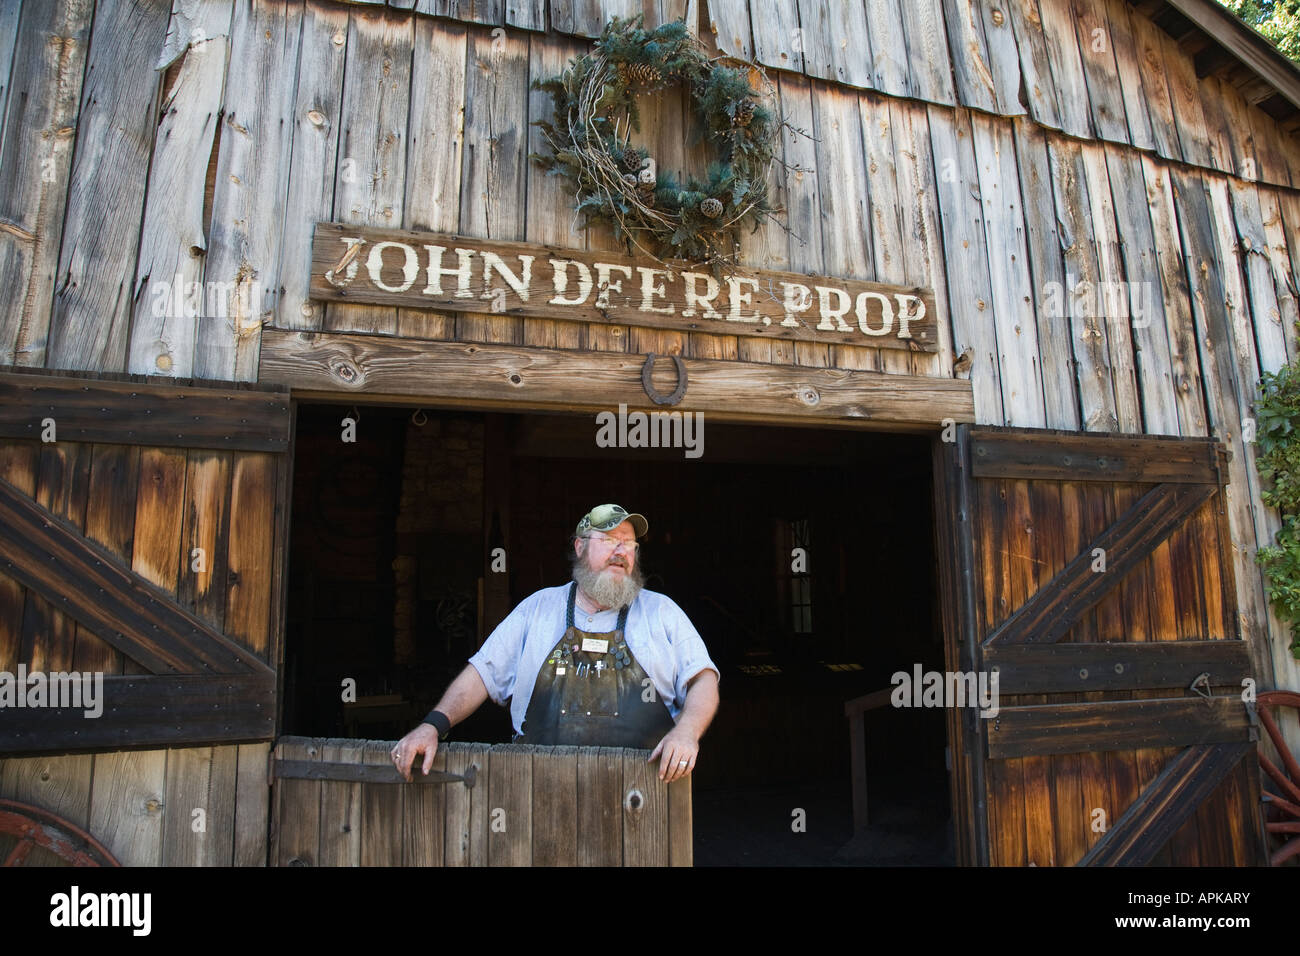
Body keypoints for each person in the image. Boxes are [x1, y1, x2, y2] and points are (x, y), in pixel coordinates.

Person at [391, 503, 720, 784]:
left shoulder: (661, 612)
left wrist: (687, 732)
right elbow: (482, 673)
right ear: (580, 547)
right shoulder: (537, 609)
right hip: (540, 794)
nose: (621, 552)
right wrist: (432, 725)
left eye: (629, 544)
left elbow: (702, 678)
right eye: (608, 540)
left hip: (645, 794)